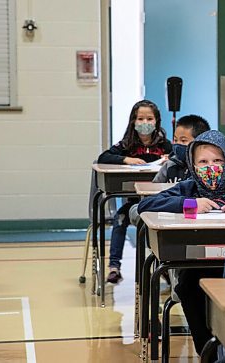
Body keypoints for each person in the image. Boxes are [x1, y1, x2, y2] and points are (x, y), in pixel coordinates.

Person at [135, 130, 225, 357]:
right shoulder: (189, 188)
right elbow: (147, 205)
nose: (210, 167)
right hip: (198, 265)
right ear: (193, 166)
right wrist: (189, 203)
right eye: (203, 162)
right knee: (188, 288)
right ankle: (208, 354)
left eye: (217, 161)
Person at [97, 99, 172, 283]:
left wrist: (167, 159)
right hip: (133, 204)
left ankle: (163, 268)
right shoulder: (127, 145)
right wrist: (126, 160)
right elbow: (103, 157)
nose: (145, 123)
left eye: (149, 118)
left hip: (157, 203)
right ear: (133, 121)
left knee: (154, 228)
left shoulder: (164, 145)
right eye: (140, 118)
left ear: (156, 121)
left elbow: (177, 158)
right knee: (120, 220)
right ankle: (114, 267)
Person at [152, 114, 210, 183]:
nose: (178, 144)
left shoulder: (206, 168)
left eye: (183, 140)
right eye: (175, 140)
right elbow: (155, 187)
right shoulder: (169, 165)